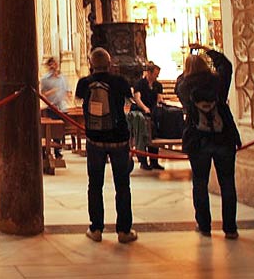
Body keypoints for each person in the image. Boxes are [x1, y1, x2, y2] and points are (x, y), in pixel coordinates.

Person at [175, 43, 240, 239]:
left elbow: (180, 82)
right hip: (223, 138)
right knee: (227, 183)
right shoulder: (218, 82)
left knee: (200, 183)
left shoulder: (184, 86)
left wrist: (189, 66)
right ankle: (230, 228)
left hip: (198, 140)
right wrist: (205, 49)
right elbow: (226, 65)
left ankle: (204, 226)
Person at [75, 47, 138, 244]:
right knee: (122, 185)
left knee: (95, 185)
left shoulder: (84, 83)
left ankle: (96, 228)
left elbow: (78, 104)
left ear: (91, 64)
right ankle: (124, 231)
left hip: (95, 140)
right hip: (118, 140)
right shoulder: (119, 82)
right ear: (109, 64)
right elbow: (129, 104)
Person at [131, 62, 164, 170]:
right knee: (143, 134)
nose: (157, 76)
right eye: (155, 74)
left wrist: (160, 104)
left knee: (154, 133)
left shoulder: (158, 85)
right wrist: (145, 108)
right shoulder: (140, 84)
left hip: (152, 111)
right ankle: (143, 161)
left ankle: (154, 160)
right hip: (140, 111)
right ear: (149, 73)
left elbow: (159, 98)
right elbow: (137, 98)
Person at [40, 57, 71, 159]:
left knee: (60, 130)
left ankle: (58, 151)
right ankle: (47, 151)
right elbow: (43, 93)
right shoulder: (45, 79)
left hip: (62, 107)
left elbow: (67, 90)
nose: (54, 66)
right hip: (51, 107)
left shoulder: (62, 78)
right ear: (49, 66)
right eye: (51, 64)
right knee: (50, 130)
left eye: (55, 64)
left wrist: (68, 96)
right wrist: (52, 91)